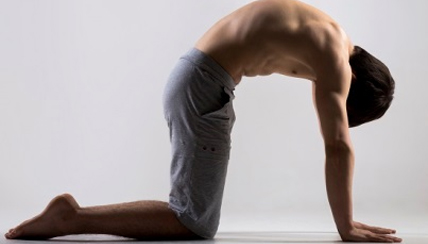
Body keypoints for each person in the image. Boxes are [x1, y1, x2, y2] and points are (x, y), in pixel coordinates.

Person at [5, 0, 401, 242]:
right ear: (354, 83)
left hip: (200, 79)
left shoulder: (328, 31)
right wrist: (346, 225)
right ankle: (70, 217)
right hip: (203, 85)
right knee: (193, 221)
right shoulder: (334, 57)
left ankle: (70, 215)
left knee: (192, 214)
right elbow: (337, 145)